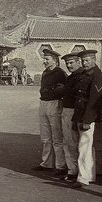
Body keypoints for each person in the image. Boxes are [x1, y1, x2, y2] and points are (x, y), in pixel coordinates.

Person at [67, 49, 102, 188]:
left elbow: (94, 102)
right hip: (80, 115)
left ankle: (83, 178)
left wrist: (87, 120)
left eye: (87, 60)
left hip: (87, 117)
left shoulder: (98, 77)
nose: (84, 63)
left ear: (94, 60)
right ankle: (88, 176)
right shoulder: (86, 74)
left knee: (84, 147)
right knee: (85, 147)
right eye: (83, 61)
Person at [33, 48, 67, 176]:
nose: (45, 61)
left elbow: (65, 89)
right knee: (45, 136)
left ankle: (60, 166)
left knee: (57, 136)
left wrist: (54, 92)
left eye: (47, 59)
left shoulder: (60, 73)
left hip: (54, 103)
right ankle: (46, 163)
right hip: (44, 103)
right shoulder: (45, 72)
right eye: (44, 59)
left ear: (55, 60)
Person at [60, 52, 86, 182]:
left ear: (78, 62)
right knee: (69, 141)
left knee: (72, 142)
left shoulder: (81, 76)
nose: (69, 65)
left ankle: (74, 172)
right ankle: (73, 170)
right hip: (67, 110)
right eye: (67, 63)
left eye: (71, 63)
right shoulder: (71, 77)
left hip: (74, 112)